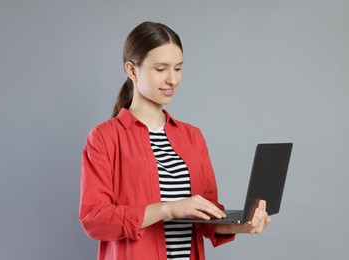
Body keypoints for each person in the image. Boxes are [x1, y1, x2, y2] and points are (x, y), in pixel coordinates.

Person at [79, 21, 270, 260]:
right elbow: (95, 220)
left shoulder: (192, 137)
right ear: (131, 70)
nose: (172, 80)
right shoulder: (105, 138)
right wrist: (168, 209)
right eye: (161, 69)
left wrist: (241, 225)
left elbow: (206, 220)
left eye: (178, 68)